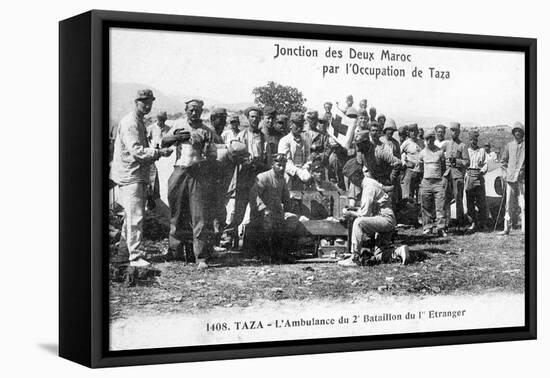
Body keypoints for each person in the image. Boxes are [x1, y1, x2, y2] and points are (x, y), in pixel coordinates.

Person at [110, 89, 172, 267]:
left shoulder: (138, 121)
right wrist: (159, 152)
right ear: (136, 102)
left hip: (135, 174)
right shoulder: (131, 122)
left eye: (150, 101)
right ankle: (135, 257)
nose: (147, 105)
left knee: (130, 217)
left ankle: (124, 253)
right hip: (131, 175)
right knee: (135, 216)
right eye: (144, 101)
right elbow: (137, 151)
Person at [162, 99, 218, 269]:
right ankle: (175, 250)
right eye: (191, 110)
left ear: (202, 112)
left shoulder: (207, 130)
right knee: (177, 212)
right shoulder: (179, 125)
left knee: (198, 215)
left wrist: (205, 150)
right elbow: (164, 142)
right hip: (179, 170)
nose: (194, 113)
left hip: (198, 173)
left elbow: (213, 156)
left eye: (198, 110)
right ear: (186, 110)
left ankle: (200, 256)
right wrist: (175, 137)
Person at [338, 160, 409, 267]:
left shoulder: (369, 187)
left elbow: (364, 215)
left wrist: (350, 213)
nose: (352, 182)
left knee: (358, 222)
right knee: (378, 255)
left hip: (385, 219)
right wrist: (354, 209)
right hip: (385, 219)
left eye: (351, 178)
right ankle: (399, 251)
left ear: (356, 176)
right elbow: (369, 209)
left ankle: (355, 257)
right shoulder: (369, 183)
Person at [247, 153, 298, 261]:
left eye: (283, 166)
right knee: (268, 221)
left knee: (291, 220)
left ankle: (281, 252)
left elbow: (286, 197)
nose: (281, 168)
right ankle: (264, 253)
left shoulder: (282, 180)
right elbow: (254, 195)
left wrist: (290, 209)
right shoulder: (263, 177)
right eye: (279, 165)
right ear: (272, 165)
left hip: (276, 213)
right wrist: (264, 209)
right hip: (260, 214)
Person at [216, 141, 251, 249]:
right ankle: (216, 242)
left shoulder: (234, 161)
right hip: (215, 191)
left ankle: (225, 240)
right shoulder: (220, 159)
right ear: (234, 156)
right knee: (218, 216)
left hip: (226, 190)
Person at [418, 129, 447, 236]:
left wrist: (440, 178)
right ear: (425, 140)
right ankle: (427, 227)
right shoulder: (422, 153)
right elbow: (420, 168)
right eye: (427, 139)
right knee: (426, 206)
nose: (430, 140)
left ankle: (441, 228)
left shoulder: (439, 152)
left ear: (434, 139)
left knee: (440, 206)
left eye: (432, 138)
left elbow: (443, 167)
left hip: (438, 182)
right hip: (426, 182)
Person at [499, 122, 526, 235]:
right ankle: (506, 228)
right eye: (515, 131)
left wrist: (523, 171)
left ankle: (524, 228)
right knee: (508, 204)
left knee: (523, 204)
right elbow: (503, 161)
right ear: (513, 133)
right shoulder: (509, 146)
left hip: (521, 180)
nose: (517, 133)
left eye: (519, 131)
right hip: (510, 179)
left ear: (522, 133)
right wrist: (505, 174)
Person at [444, 122, 470, 229]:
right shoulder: (447, 145)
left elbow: (467, 162)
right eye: (451, 130)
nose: (453, 132)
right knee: (446, 198)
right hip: (447, 174)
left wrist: (456, 162)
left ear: (459, 132)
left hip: (457, 175)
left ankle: (460, 222)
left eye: (455, 130)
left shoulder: (462, 146)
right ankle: (447, 221)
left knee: (458, 198)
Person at [278, 112, 312, 189]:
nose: (300, 128)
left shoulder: (305, 141)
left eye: (301, 125)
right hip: (288, 176)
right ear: (290, 125)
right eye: (297, 125)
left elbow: (308, 158)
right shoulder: (285, 141)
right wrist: (298, 172)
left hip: (302, 177)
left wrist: (305, 168)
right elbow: (285, 162)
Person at [146, 110, 173, 209]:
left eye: (163, 119)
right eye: (160, 119)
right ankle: (151, 199)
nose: (162, 121)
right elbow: (146, 140)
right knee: (153, 176)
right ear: (157, 119)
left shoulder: (169, 129)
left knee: (164, 179)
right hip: (155, 155)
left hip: (165, 157)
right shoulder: (151, 128)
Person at [465, 130, 488, 232]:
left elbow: (486, 163)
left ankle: (483, 223)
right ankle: (473, 222)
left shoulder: (482, 151)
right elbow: (464, 163)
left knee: (481, 201)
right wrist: (466, 174)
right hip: (469, 175)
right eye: (471, 140)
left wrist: (482, 170)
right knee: (470, 201)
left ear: (477, 140)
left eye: (474, 140)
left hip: (479, 176)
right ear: (469, 140)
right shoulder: (466, 151)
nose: (473, 142)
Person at [400, 123, 423, 203]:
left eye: (415, 131)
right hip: (410, 172)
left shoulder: (422, 142)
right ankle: (410, 213)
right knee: (410, 195)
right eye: (411, 131)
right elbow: (398, 154)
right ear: (409, 133)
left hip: (420, 172)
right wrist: (404, 163)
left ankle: (419, 214)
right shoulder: (406, 143)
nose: (414, 133)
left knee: (420, 195)